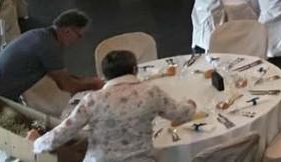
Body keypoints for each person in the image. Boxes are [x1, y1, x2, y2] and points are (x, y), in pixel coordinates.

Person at [0, 10, 104, 162]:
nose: (79, 40)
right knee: (28, 149)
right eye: (79, 35)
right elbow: (66, 85)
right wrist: (95, 83)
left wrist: (88, 80)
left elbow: (63, 77)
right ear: (67, 30)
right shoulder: (49, 46)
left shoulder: (41, 36)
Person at [31, 49, 195, 162]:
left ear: (103, 75)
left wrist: (36, 143)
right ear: (135, 69)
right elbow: (181, 114)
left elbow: (63, 132)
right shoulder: (151, 93)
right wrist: (190, 104)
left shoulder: (93, 100)